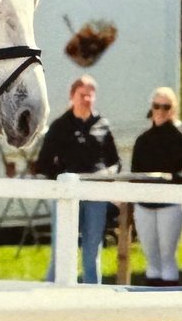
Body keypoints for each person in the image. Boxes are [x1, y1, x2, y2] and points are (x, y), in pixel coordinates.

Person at [33, 74, 120, 284]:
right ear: (72, 96)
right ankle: (48, 301)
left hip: (95, 196)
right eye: (82, 95)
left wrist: (109, 175)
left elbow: (115, 161)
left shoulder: (102, 125)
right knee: (62, 250)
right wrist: (62, 178)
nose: (86, 100)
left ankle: (92, 304)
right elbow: (42, 164)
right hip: (66, 196)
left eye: (90, 96)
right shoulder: (60, 126)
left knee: (92, 253)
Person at [130, 87, 182, 287]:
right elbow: (135, 174)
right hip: (145, 205)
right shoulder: (142, 140)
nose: (160, 111)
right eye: (156, 106)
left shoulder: (180, 139)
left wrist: (174, 181)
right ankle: (153, 313)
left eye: (166, 106)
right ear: (151, 108)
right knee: (151, 259)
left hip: (170, 205)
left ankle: (170, 309)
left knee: (167, 257)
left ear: (173, 109)